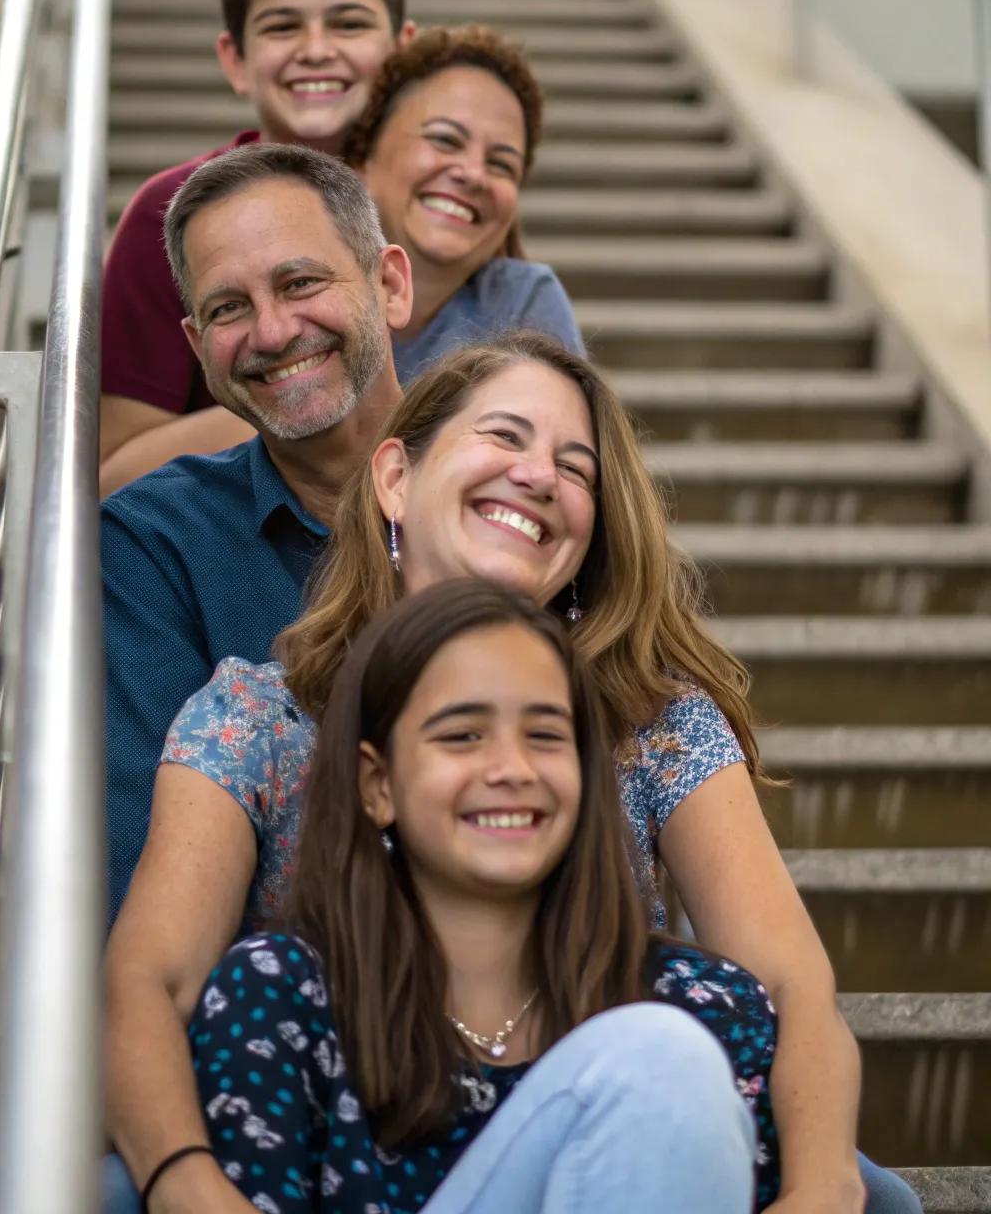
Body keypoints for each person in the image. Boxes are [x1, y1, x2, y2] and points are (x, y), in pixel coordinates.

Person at [106, 334, 920, 1211]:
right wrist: (183, 1175)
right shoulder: (261, 720)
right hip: (348, 1133)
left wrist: (825, 1185)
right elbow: (151, 984)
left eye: (577, 468)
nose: (540, 477)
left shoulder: (649, 724)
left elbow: (792, 987)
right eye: (503, 437)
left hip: (613, 1120)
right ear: (395, 479)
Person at [181, 579, 775, 1213]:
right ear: (376, 784)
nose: (512, 769)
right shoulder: (278, 996)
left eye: (547, 736)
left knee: (668, 1054)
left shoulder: (708, 1005)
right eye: (463, 735)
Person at [101, 142, 412, 921]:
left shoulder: (515, 490)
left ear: (391, 285)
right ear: (196, 347)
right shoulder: (151, 544)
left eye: (301, 282)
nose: (271, 332)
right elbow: (147, 896)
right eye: (227, 308)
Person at [99, 0, 416, 495]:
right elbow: (109, 474)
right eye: (281, 26)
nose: (316, 49)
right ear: (236, 58)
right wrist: (300, 387)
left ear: (403, 51)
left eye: (348, 23)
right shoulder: (168, 216)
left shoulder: (438, 208)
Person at [343, 24, 583, 382]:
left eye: (501, 164)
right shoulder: (305, 292)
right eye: (445, 139)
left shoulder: (525, 303)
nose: (473, 174)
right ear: (365, 160)